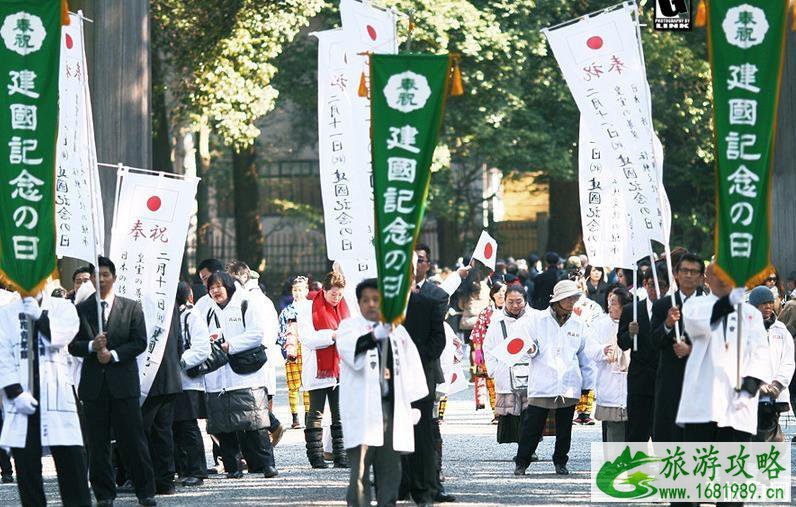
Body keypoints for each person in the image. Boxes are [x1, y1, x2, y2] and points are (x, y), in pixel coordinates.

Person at [68, 257, 157, 506]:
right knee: (97, 445)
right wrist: (91, 346)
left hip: (123, 385)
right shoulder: (81, 309)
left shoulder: (131, 307)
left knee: (133, 440)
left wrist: (113, 355)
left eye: (105, 274)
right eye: (97, 275)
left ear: (114, 277)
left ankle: (146, 492)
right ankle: (104, 495)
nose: (101, 279)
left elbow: (140, 342)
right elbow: (72, 345)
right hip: (94, 388)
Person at [337, 279, 428, 507]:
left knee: (390, 468)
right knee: (359, 470)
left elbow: (412, 367)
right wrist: (378, 333)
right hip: (363, 408)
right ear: (358, 303)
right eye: (365, 300)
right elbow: (353, 352)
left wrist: (414, 403)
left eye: (376, 300)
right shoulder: (349, 327)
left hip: (391, 407)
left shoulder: (398, 332)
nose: (371, 304)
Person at [0, 296, 91, 506]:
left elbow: (62, 337)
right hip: (23, 400)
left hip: (58, 396)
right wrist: (15, 391)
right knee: (27, 469)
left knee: (72, 465)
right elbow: (2, 356)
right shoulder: (5, 313)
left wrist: (40, 317)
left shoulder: (63, 307)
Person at [677, 263, 771, 443]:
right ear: (707, 279)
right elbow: (695, 326)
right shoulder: (695, 306)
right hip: (703, 399)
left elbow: (760, 351)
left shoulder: (751, 314)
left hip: (737, 399)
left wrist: (751, 382)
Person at [514, 280, 595, 476]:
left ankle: (560, 461)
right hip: (543, 379)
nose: (571, 302)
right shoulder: (537, 320)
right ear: (557, 300)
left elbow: (585, 355)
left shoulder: (578, 323)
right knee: (533, 425)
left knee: (565, 427)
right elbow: (523, 343)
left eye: (574, 298)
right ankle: (522, 461)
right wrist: (530, 349)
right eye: (568, 298)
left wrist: (587, 383)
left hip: (568, 380)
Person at [203, 271, 277, 479]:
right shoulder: (207, 310)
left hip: (245, 374)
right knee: (224, 426)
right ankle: (232, 467)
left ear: (228, 285)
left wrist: (230, 346)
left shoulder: (246, 303)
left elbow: (256, 334)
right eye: (211, 288)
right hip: (219, 378)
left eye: (219, 286)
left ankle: (266, 465)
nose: (215, 291)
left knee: (256, 423)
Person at [400, 253, 448, 505]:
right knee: (394, 432)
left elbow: (438, 340)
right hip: (391, 379)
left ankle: (427, 486)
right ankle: (399, 483)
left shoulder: (428, 302)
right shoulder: (382, 308)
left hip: (421, 376)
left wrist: (416, 359)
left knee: (423, 433)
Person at [226, 261, 285, 446]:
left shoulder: (250, 300)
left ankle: (270, 432)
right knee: (256, 401)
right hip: (257, 355)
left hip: (253, 357)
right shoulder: (262, 300)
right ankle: (266, 436)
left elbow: (260, 333)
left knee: (253, 402)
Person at [649, 253, 704, 442]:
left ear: (701, 276)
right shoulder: (663, 305)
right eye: (684, 271)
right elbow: (653, 342)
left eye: (694, 271)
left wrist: (691, 350)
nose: (689, 275)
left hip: (701, 379)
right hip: (670, 377)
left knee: (698, 434)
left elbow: (719, 345)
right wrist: (667, 324)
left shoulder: (711, 306)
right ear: (676, 274)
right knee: (669, 431)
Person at [298, 271, 349, 468]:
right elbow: (307, 338)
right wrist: (334, 336)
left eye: (340, 294)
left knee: (340, 413)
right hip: (318, 368)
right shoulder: (308, 308)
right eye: (333, 294)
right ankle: (316, 457)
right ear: (324, 290)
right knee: (316, 413)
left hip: (340, 368)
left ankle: (341, 455)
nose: (336, 298)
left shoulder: (345, 308)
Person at [617, 267, 669, 442]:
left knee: (663, 434)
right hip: (639, 378)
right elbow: (622, 343)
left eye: (661, 285)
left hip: (664, 378)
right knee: (636, 432)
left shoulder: (673, 311)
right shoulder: (631, 310)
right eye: (652, 285)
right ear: (645, 285)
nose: (656, 290)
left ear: (668, 287)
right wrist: (630, 334)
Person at [483, 286, 535, 449]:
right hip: (506, 371)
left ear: (525, 300)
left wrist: (535, 350)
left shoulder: (535, 318)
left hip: (531, 371)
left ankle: (527, 449)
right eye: (510, 302)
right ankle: (522, 447)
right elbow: (488, 347)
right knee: (512, 414)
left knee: (530, 414)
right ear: (504, 301)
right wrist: (493, 370)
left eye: (518, 301)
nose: (514, 305)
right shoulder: (497, 320)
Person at [172, 282, 211, 486]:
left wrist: (178, 361)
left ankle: (196, 470)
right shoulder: (170, 316)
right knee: (174, 427)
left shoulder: (190, 316)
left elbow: (202, 348)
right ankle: (182, 469)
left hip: (187, 380)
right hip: (171, 380)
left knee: (187, 426)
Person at [748, 286, 794, 442]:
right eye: (763, 304)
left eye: (770, 303)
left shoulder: (780, 329)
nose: (768, 307)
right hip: (751, 392)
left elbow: (788, 361)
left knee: (770, 432)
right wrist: (757, 385)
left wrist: (777, 384)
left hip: (775, 393)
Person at [587, 287, 632, 442]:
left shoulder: (635, 324)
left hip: (630, 383)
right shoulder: (600, 324)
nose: (609, 306)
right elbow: (590, 349)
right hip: (608, 382)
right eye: (609, 302)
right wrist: (603, 350)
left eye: (614, 303)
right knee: (613, 427)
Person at [278, 276, 311, 429]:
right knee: (293, 385)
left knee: (308, 383)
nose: (297, 293)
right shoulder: (287, 311)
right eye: (295, 290)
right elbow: (280, 332)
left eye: (300, 290)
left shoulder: (311, 308)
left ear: (307, 290)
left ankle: (308, 415)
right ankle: (295, 417)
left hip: (308, 348)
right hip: (292, 348)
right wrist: (285, 349)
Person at [470, 281, 507, 419]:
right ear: (492, 294)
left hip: (507, 353)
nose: (501, 294)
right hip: (489, 352)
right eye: (499, 291)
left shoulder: (512, 311)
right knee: (491, 384)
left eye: (504, 291)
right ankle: (496, 413)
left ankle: (507, 412)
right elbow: (478, 332)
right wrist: (478, 351)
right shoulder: (486, 312)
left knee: (506, 383)